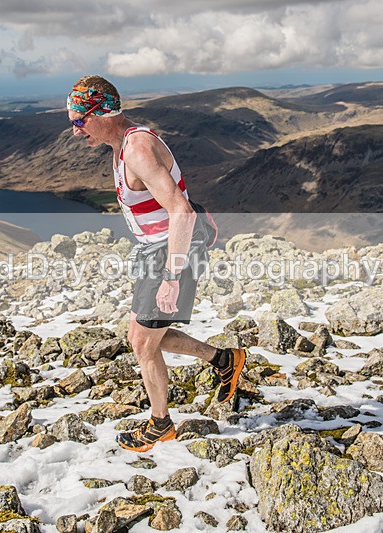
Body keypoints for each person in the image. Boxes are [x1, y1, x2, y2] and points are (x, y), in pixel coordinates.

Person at [67, 75, 247, 453]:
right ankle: (225, 360)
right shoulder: (122, 145)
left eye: (79, 120)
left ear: (102, 113)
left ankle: (161, 424)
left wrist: (172, 276)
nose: (74, 130)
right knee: (146, 335)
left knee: (142, 343)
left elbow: (181, 212)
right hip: (157, 249)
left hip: (170, 251)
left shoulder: (137, 150)